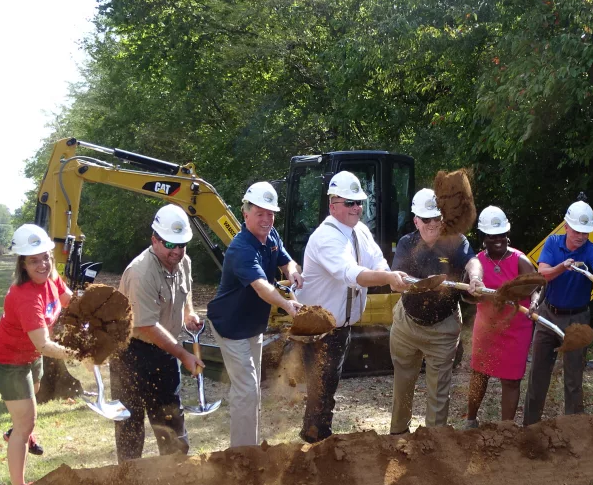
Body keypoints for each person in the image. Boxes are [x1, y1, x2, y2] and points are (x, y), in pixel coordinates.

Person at [295, 171, 410, 443]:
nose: (356, 208)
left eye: (359, 202)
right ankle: (314, 443)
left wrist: (388, 274)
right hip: (319, 330)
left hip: (341, 326)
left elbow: (376, 260)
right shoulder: (327, 237)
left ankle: (320, 441)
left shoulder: (359, 230)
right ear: (332, 204)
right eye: (349, 203)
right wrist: (388, 278)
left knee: (327, 388)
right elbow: (351, 273)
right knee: (320, 391)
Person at [207, 182, 304, 447]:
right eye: (259, 213)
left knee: (251, 389)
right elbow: (262, 288)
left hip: (252, 325)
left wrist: (292, 270)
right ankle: (241, 455)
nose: (266, 219)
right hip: (230, 326)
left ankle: (249, 446)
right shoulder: (241, 248)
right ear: (245, 213)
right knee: (247, 389)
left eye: (270, 213)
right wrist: (287, 305)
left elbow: (286, 260)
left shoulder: (270, 236)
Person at [110, 205, 205, 462]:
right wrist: (184, 354)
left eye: (182, 244)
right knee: (130, 425)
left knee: (172, 420)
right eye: (170, 244)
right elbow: (146, 326)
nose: (177, 251)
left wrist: (189, 314)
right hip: (131, 353)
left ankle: (177, 480)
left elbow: (185, 295)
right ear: (155, 239)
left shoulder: (183, 262)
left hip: (164, 350)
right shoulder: (141, 272)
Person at [0, 225, 76, 485]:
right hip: (8, 361)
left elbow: (68, 299)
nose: (43, 264)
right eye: (34, 260)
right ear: (22, 264)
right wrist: (79, 353)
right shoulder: (26, 297)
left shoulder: (50, 277)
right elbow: (45, 345)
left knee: (33, 394)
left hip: (29, 356)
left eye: (46, 257)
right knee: (27, 421)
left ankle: (15, 431)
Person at [389, 189, 483, 434]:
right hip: (407, 324)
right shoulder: (406, 244)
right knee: (402, 386)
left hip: (443, 327)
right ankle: (398, 436)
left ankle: (435, 444)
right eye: (426, 219)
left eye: (436, 218)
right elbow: (395, 281)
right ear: (416, 220)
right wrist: (422, 282)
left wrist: (475, 277)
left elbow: (472, 260)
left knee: (439, 393)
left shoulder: (455, 241)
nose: (432, 224)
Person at [523, 200, 593, 425]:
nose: (581, 236)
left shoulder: (592, 250)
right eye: (577, 231)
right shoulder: (553, 243)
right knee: (538, 376)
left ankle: (573, 430)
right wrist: (562, 267)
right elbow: (542, 274)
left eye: (585, 232)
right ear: (566, 226)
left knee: (574, 379)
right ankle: (529, 428)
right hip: (548, 315)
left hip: (577, 320)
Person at [465, 206, 537, 427]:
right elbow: (467, 297)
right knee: (480, 374)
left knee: (511, 379)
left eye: (501, 235)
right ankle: (470, 421)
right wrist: (474, 294)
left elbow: (537, 286)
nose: (497, 240)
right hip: (486, 327)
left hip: (516, 328)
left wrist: (534, 303)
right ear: (483, 237)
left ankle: (506, 428)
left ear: (507, 234)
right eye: (491, 236)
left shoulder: (519, 260)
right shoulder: (477, 261)